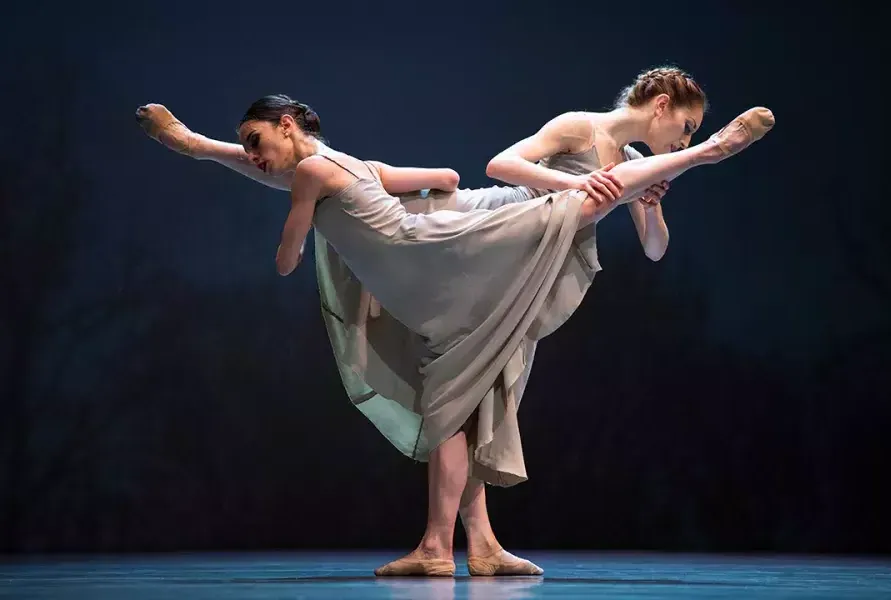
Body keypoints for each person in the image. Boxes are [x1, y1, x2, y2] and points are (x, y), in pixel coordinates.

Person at [135, 72, 773, 576]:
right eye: (687, 131)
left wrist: (643, 197)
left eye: (693, 139)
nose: (678, 139)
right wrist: (595, 185)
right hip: (486, 234)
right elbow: (489, 169)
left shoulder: (339, 168)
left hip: (502, 248)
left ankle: (468, 544)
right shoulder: (575, 129)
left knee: (468, 389)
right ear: (661, 105)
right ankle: (462, 544)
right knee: (462, 378)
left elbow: (652, 249)